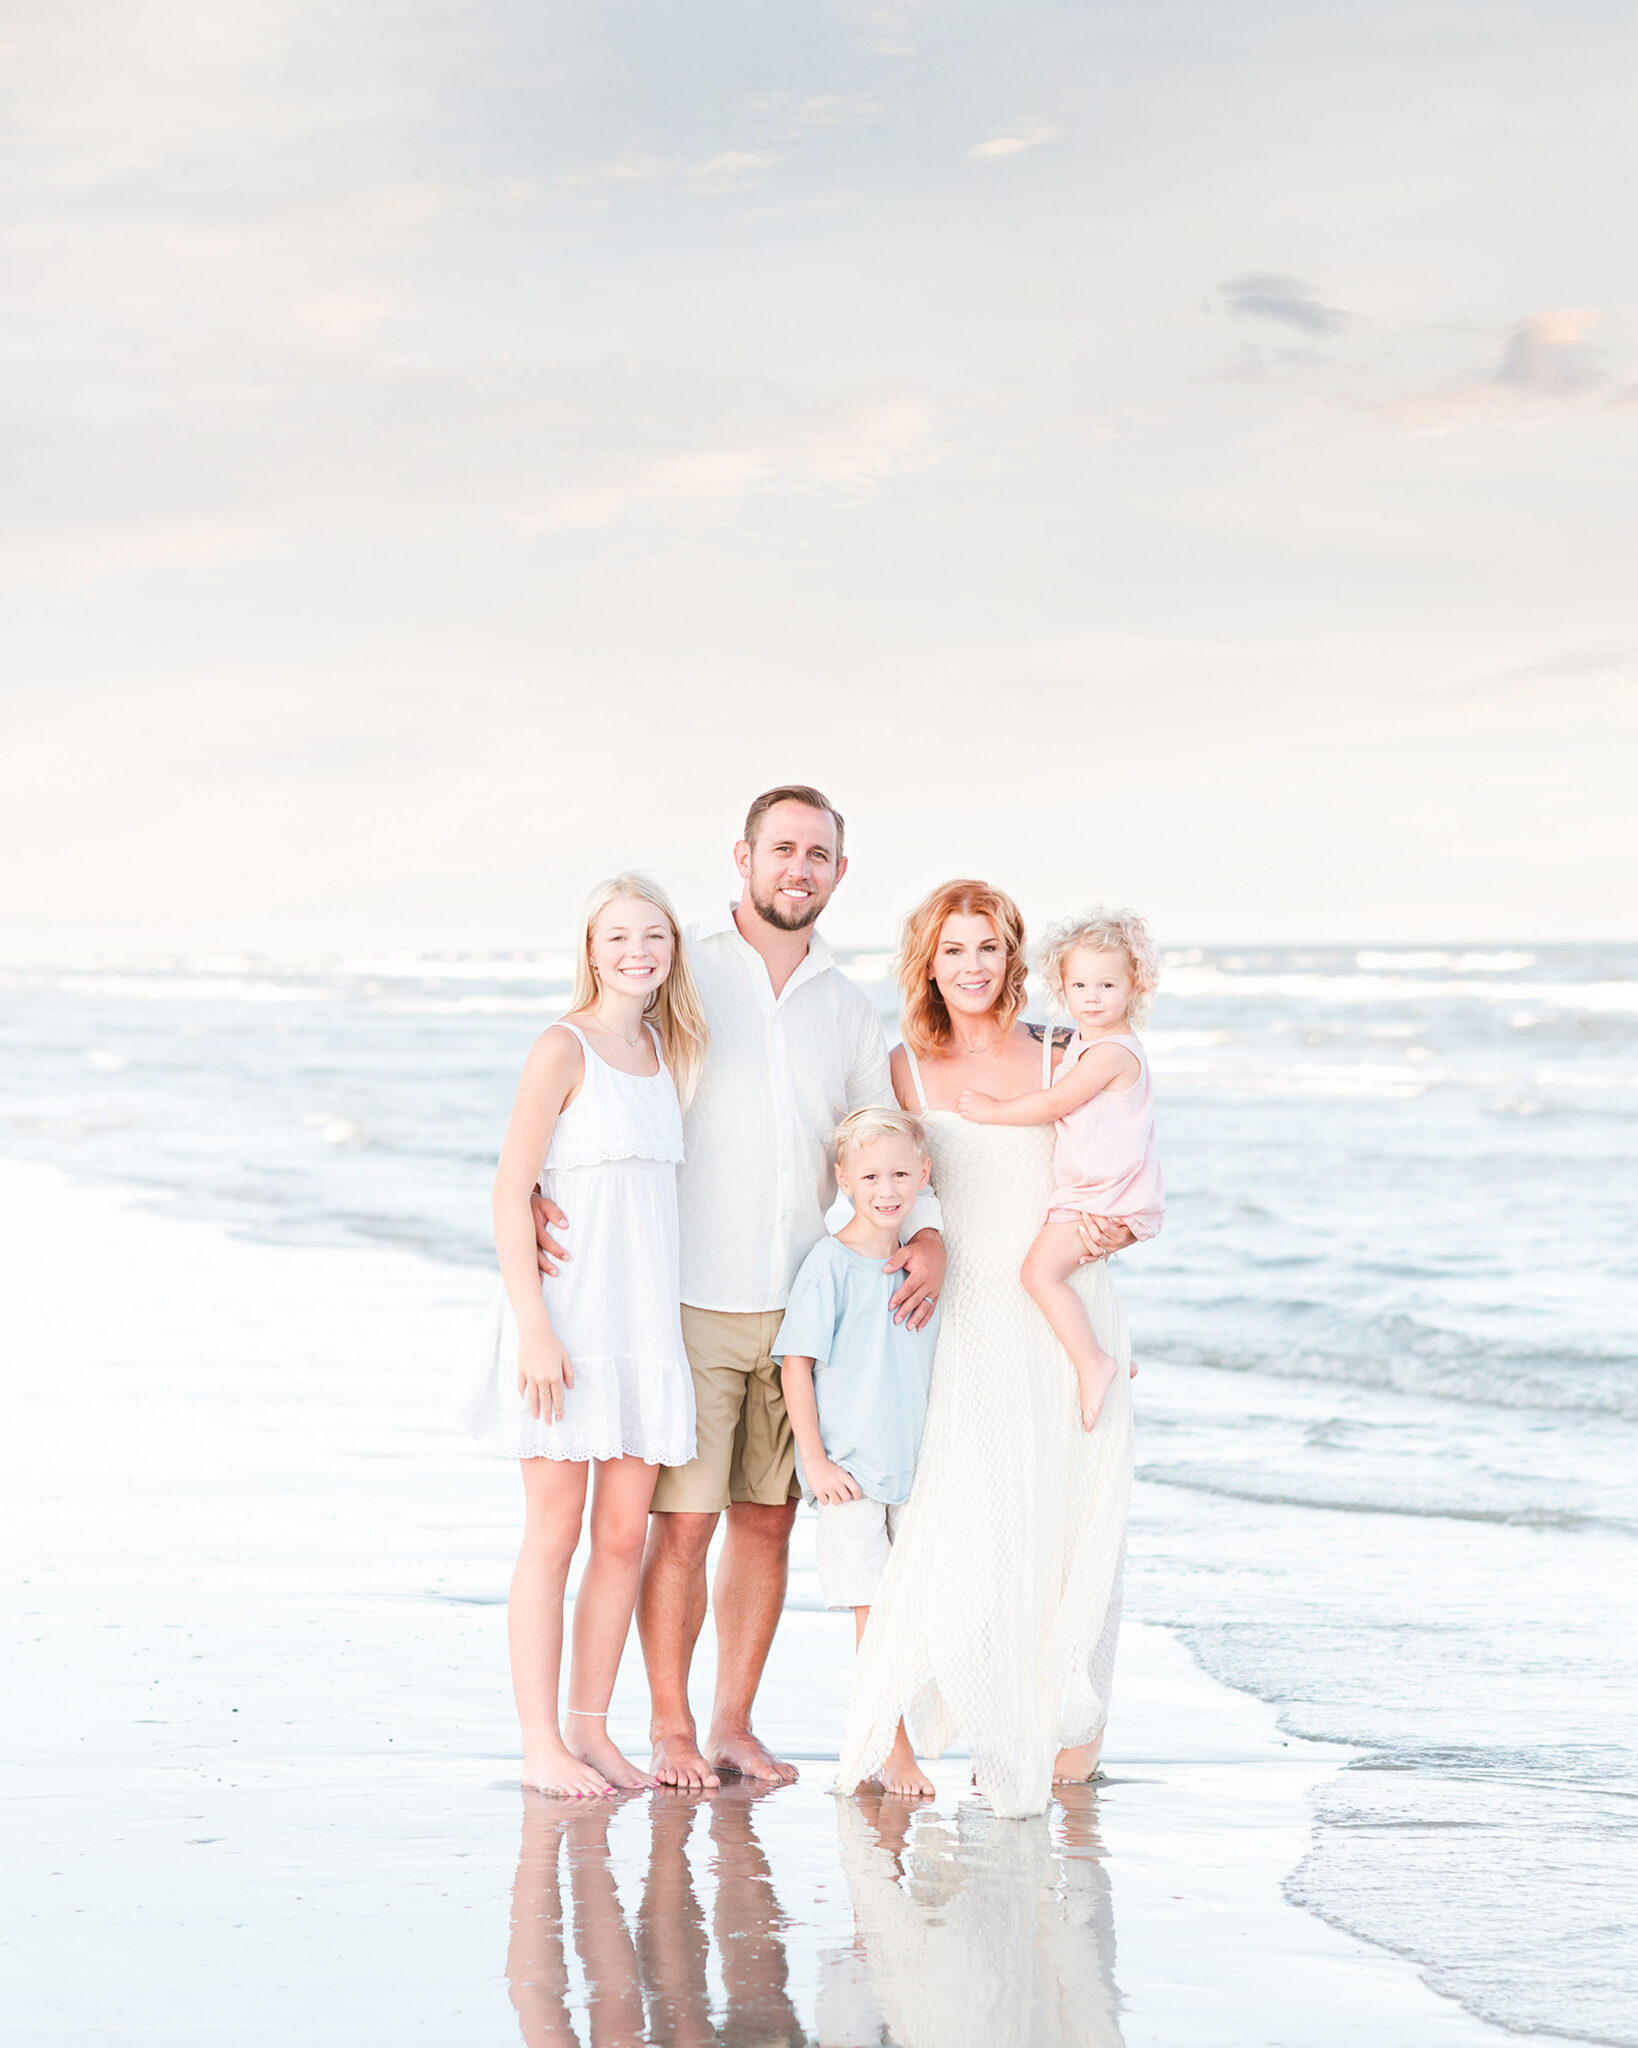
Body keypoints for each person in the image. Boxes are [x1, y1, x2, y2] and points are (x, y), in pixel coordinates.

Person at [531, 786, 946, 1792]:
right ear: (743, 857)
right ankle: (668, 1727)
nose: (797, 868)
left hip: (806, 1305)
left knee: (769, 1520)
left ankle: (731, 1725)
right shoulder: (684, 970)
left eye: (818, 854)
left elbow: (884, 1143)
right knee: (684, 1522)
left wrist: (928, 1231)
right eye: (781, 849)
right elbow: (597, 1073)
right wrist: (537, 1185)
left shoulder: (847, 1006)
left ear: (839, 873)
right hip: (683, 1296)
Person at [836, 880, 1138, 1819]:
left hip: (1063, 1311)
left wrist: (1117, 1240)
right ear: (928, 962)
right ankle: (983, 1711)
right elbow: (891, 1186)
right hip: (966, 1317)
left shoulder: (1066, 1048)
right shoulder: (904, 1070)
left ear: (1014, 960)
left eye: (990, 948)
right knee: (973, 1513)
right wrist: (922, 1242)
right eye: (954, 949)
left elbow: (1121, 1162)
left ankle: (1069, 1737)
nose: (973, 966)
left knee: (1075, 1511)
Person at [459, 874, 709, 1798]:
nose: (638, 951)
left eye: (655, 936)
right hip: (565, 1324)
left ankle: (593, 1733)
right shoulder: (562, 1047)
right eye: (618, 937)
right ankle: (538, 1743)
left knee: (620, 1536)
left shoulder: (663, 1049)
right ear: (592, 950)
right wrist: (532, 1328)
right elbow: (507, 1189)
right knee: (554, 1533)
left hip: (642, 1327)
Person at [774, 1106, 942, 1801]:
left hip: (917, 1469)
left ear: (923, 1176)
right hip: (849, 1475)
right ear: (842, 1178)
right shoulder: (831, 1265)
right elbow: (796, 1365)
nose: (887, 1188)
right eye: (871, 1175)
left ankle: (910, 1738)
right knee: (875, 1617)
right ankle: (889, 1751)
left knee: (918, 1607)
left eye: (901, 1173)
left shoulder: (922, 1269)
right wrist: (814, 1463)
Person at [960, 909, 1165, 1431]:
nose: (1091, 997)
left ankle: (1096, 1361)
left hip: (1103, 1197)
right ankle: (1112, 1349)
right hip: (1092, 1193)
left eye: (1106, 984)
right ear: (1062, 985)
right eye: (1079, 984)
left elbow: (1055, 1103)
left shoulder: (1111, 1053)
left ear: (1134, 986)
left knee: (1039, 1273)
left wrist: (991, 1111)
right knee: (1063, 1274)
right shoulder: (1083, 1041)